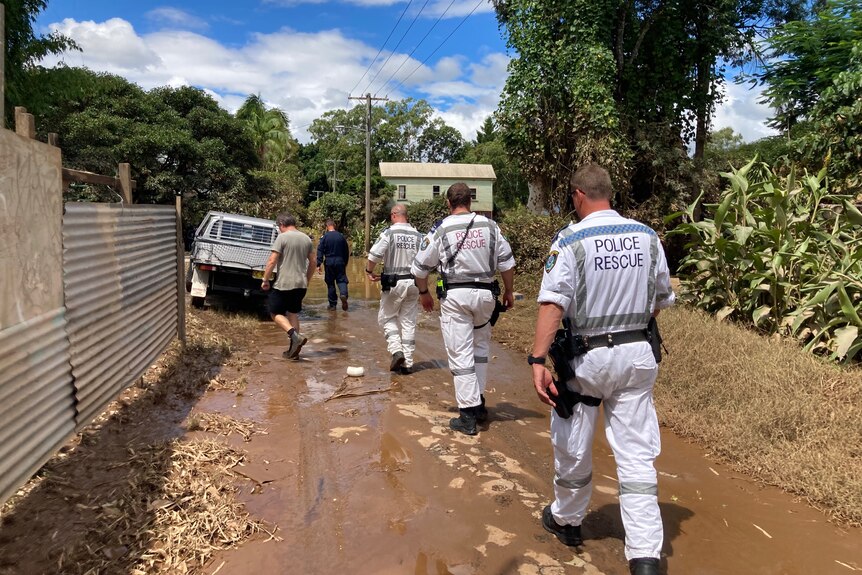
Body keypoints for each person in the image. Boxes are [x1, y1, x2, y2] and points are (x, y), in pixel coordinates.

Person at [528, 164, 675, 575]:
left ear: (578, 194)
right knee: (636, 455)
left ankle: (568, 520)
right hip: (638, 356)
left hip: (587, 362)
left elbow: (553, 304)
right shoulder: (647, 237)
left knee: (573, 441)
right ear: (608, 193)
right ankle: (645, 555)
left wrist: (538, 359)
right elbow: (661, 297)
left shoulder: (571, 240)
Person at [412, 182, 516, 436]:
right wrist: (510, 291)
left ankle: (467, 414)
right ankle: (478, 402)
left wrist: (424, 293)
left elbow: (419, 268)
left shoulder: (442, 228)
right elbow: (507, 262)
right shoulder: (491, 227)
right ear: (471, 202)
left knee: (460, 354)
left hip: (456, 297)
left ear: (448, 203)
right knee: (480, 349)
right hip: (486, 296)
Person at [366, 204, 424, 374]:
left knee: (386, 318)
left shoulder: (389, 233)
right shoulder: (419, 235)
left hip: (393, 284)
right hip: (414, 283)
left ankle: (396, 350)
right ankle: (408, 363)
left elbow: (374, 255)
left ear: (393, 215)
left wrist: (369, 270)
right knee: (408, 322)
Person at [261, 212, 316, 360]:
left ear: (281, 225)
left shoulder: (282, 237)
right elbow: (313, 262)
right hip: (301, 284)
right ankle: (294, 350)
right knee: (292, 313)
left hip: (284, 283)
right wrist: (307, 279)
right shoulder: (306, 238)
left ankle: (294, 335)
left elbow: (272, 260)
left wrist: (265, 279)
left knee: (274, 312)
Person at [317, 219, 350, 311]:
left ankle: (332, 305)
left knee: (330, 283)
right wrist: (345, 263)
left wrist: (318, 264)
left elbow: (320, 250)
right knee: (342, 280)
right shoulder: (341, 237)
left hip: (329, 262)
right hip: (340, 261)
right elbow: (346, 251)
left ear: (327, 227)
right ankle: (343, 294)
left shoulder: (324, 237)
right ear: (334, 226)